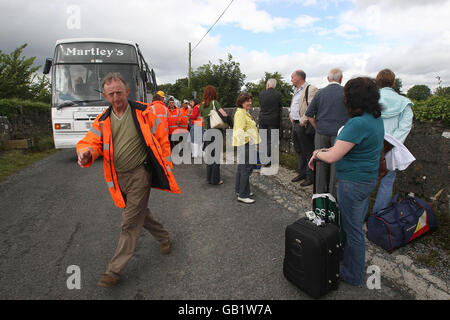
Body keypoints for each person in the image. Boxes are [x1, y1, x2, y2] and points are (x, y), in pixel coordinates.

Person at [76, 72, 181, 288]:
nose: (116, 97)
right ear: (105, 96)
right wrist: (86, 152)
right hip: (118, 176)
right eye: (111, 94)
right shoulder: (103, 120)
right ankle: (164, 237)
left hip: (140, 173)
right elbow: (92, 141)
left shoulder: (144, 112)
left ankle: (113, 271)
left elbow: (161, 138)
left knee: (130, 221)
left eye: (119, 92)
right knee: (141, 212)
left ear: (127, 92)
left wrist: (166, 165)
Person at [308, 77, 384, 287]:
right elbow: (338, 150)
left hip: (352, 182)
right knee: (355, 225)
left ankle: (353, 274)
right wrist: (323, 152)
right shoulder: (374, 118)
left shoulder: (357, 123)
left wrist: (316, 153)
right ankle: (350, 262)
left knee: (353, 229)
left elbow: (333, 156)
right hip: (367, 179)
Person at [371, 69, 414, 213]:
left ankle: (360, 215)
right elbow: (405, 127)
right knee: (387, 182)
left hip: (370, 146)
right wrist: (392, 143)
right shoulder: (404, 103)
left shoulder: (371, 100)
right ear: (394, 82)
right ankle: (379, 215)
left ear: (378, 81)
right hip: (392, 148)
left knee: (367, 182)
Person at [305, 68, 348, 197]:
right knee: (336, 168)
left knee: (320, 164)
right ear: (341, 79)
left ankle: (319, 196)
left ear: (328, 79)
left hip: (321, 132)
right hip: (340, 135)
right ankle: (333, 198)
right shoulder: (346, 92)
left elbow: (309, 114)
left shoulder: (320, 93)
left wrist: (317, 127)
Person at [289, 69, 318, 186]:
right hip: (295, 124)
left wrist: (303, 121)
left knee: (308, 152)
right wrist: (291, 115)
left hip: (303, 125)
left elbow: (312, 107)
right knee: (299, 150)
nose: (291, 80)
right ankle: (301, 173)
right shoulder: (296, 90)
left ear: (299, 78)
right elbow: (295, 105)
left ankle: (310, 177)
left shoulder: (311, 89)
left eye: (292, 77)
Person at [233, 92, 261, 204]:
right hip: (246, 144)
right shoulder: (240, 113)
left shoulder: (244, 112)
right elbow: (240, 130)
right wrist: (249, 140)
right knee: (246, 169)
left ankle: (239, 190)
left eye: (250, 100)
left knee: (242, 168)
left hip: (246, 144)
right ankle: (243, 195)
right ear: (241, 102)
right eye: (247, 101)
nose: (249, 103)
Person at [200, 85, 228, 185]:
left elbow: (202, 120)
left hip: (207, 132)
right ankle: (215, 179)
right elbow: (224, 114)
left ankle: (209, 178)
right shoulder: (215, 103)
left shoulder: (201, 105)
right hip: (216, 131)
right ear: (214, 93)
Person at [258, 78, 282, 167]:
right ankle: (268, 161)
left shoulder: (261, 94)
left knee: (263, 140)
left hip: (263, 119)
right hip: (273, 120)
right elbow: (280, 107)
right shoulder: (278, 94)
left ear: (267, 85)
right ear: (274, 86)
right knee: (270, 141)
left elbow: (261, 105)